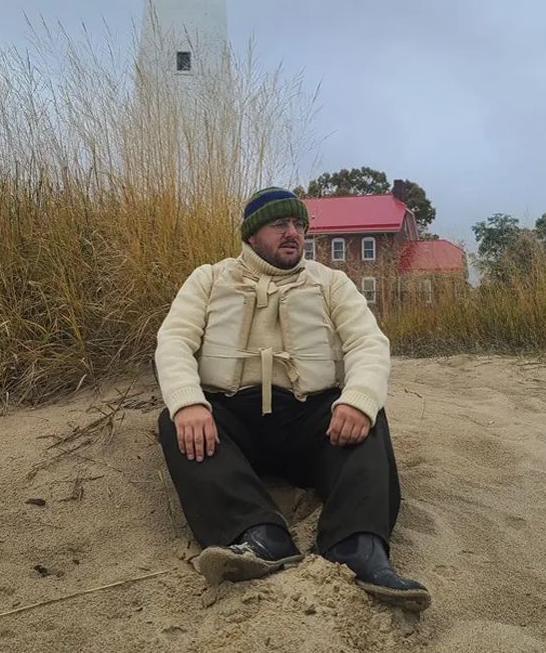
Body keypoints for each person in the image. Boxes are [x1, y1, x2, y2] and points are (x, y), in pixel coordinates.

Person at [155, 187, 430, 611]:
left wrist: (356, 401)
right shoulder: (208, 278)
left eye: (299, 225)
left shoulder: (331, 282)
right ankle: (259, 536)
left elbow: (368, 343)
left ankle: (356, 546)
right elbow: (174, 340)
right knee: (174, 419)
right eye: (280, 224)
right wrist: (189, 402)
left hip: (311, 420)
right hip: (233, 421)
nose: (293, 233)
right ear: (251, 234)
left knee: (370, 415)